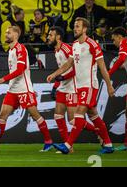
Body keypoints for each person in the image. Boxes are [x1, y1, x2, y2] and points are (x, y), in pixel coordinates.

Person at [47, 17, 115, 154]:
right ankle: (108, 144)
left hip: (89, 85)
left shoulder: (92, 45)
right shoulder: (75, 44)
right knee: (94, 116)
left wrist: (109, 85)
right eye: (74, 26)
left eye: (78, 26)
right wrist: (54, 75)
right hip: (79, 87)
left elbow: (102, 67)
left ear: (85, 29)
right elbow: (68, 64)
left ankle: (67, 146)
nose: (75, 28)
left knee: (78, 115)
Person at [0, 26, 53, 152]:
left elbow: (20, 70)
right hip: (13, 89)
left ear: (16, 35)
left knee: (35, 115)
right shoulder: (11, 50)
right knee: (2, 115)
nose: (6, 34)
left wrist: (3, 79)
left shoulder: (20, 49)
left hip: (24, 88)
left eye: (8, 33)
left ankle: (48, 142)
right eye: (6, 33)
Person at [46, 27, 99, 148]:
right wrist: (56, 85)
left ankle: (97, 131)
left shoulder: (66, 48)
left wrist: (62, 78)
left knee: (72, 120)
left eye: (51, 35)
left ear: (58, 37)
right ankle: (67, 146)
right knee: (58, 116)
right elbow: (61, 71)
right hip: (63, 87)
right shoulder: (56, 50)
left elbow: (76, 68)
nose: (48, 37)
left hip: (73, 87)